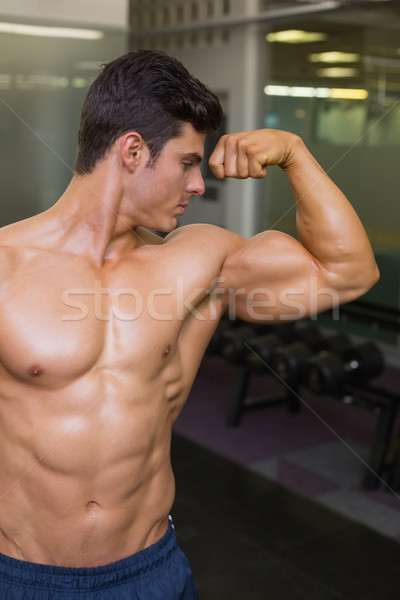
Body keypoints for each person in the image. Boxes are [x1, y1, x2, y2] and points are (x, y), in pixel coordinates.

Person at [0, 49, 379, 599]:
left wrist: (295, 154)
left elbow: (346, 272)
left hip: (149, 572)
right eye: (186, 162)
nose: (198, 185)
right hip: (19, 578)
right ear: (132, 151)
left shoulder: (199, 260)